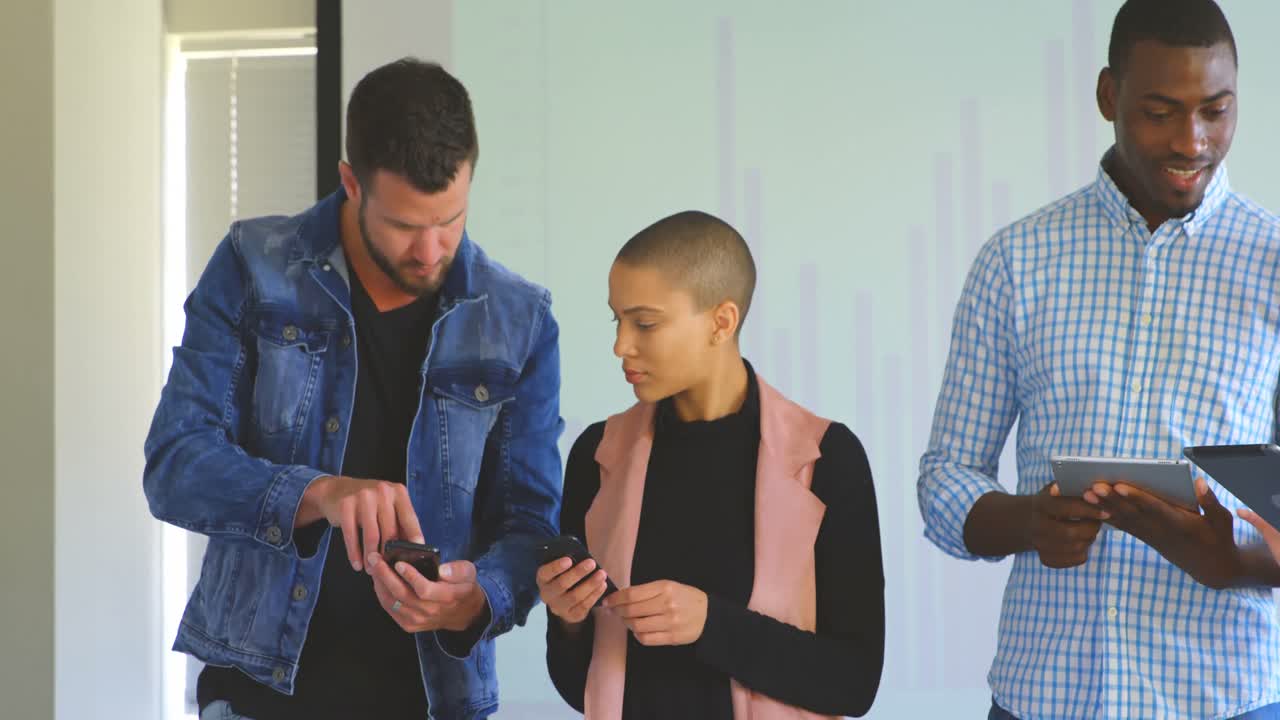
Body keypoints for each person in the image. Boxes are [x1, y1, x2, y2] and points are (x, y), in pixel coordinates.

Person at [143, 58, 563, 719]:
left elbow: (530, 523)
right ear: (350, 183)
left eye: (450, 219)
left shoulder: (520, 320)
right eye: (404, 226)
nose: (430, 250)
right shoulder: (254, 267)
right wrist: (315, 494)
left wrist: (476, 598)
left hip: (431, 702)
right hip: (258, 695)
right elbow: (175, 465)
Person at [918, 1, 1280, 717]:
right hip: (1043, 695)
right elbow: (945, 478)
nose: (1193, 140)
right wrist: (1030, 523)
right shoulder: (1017, 260)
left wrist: (1231, 561)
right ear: (1108, 97)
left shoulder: (1274, 264)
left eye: (1216, 110)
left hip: (1225, 697)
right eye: (1160, 111)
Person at [537, 211, 884, 718]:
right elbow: (579, 686)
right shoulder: (596, 454)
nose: (621, 345)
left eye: (645, 323)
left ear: (722, 322)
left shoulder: (829, 460)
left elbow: (854, 684)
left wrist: (710, 625)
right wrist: (568, 621)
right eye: (618, 320)